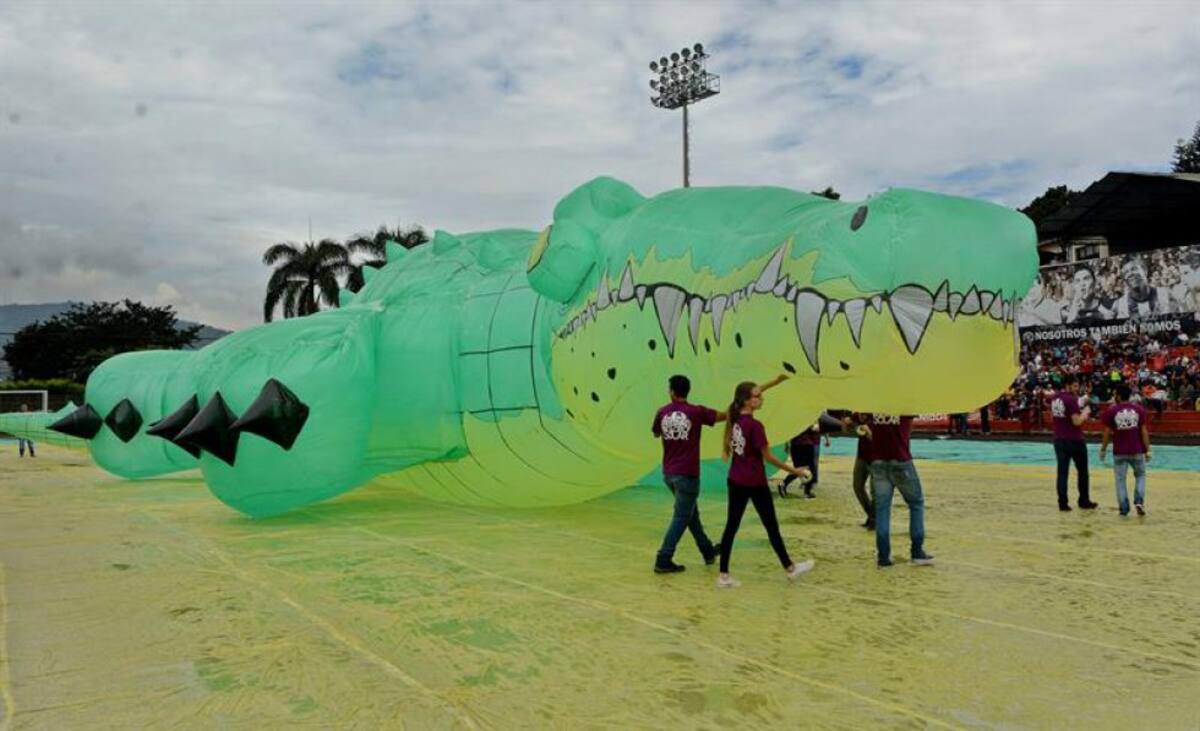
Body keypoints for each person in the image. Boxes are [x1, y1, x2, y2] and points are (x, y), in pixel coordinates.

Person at [715, 378, 815, 588]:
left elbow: (751, 391)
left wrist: (777, 381)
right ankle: (790, 568)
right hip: (754, 483)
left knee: (731, 527)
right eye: (757, 396)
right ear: (747, 401)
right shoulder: (755, 426)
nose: (762, 399)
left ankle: (723, 575)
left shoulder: (735, 419)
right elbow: (768, 457)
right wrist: (795, 471)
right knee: (771, 527)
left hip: (736, 480)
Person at [650, 374, 726, 574]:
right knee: (682, 516)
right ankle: (663, 557)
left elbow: (656, 432)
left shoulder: (662, 412)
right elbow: (723, 416)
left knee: (691, 515)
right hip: (688, 474)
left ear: (672, 392)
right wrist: (740, 406)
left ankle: (707, 551)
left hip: (669, 473)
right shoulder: (697, 412)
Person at [861, 414, 934, 568]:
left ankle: (883, 557)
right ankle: (917, 551)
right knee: (916, 504)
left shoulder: (875, 404)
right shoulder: (904, 404)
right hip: (901, 460)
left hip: (879, 461)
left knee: (882, 509)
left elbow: (861, 418)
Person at [1099, 383, 1151, 517]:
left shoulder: (1111, 411)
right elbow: (1144, 431)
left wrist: (1103, 449)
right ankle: (1139, 500)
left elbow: (1106, 432)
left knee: (1120, 481)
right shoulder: (1139, 410)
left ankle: (1124, 508)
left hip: (1119, 451)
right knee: (1140, 475)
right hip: (1136, 450)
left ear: (1118, 396)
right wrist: (1148, 449)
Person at [1049, 374, 1097, 511]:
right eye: (1075, 386)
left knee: (1062, 473)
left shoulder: (1055, 398)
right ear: (1068, 385)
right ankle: (1084, 500)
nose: (1077, 389)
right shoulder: (1070, 400)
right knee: (1082, 472)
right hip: (1074, 440)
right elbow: (1076, 421)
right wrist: (1085, 413)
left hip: (1059, 438)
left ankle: (1062, 503)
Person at [778, 419, 830, 499]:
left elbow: (788, 431)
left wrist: (786, 444)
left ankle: (784, 484)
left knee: (799, 469)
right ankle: (806, 492)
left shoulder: (794, 418)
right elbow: (815, 428)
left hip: (795, 445)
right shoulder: (809, 417)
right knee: (809, 469)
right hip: (806, 445)